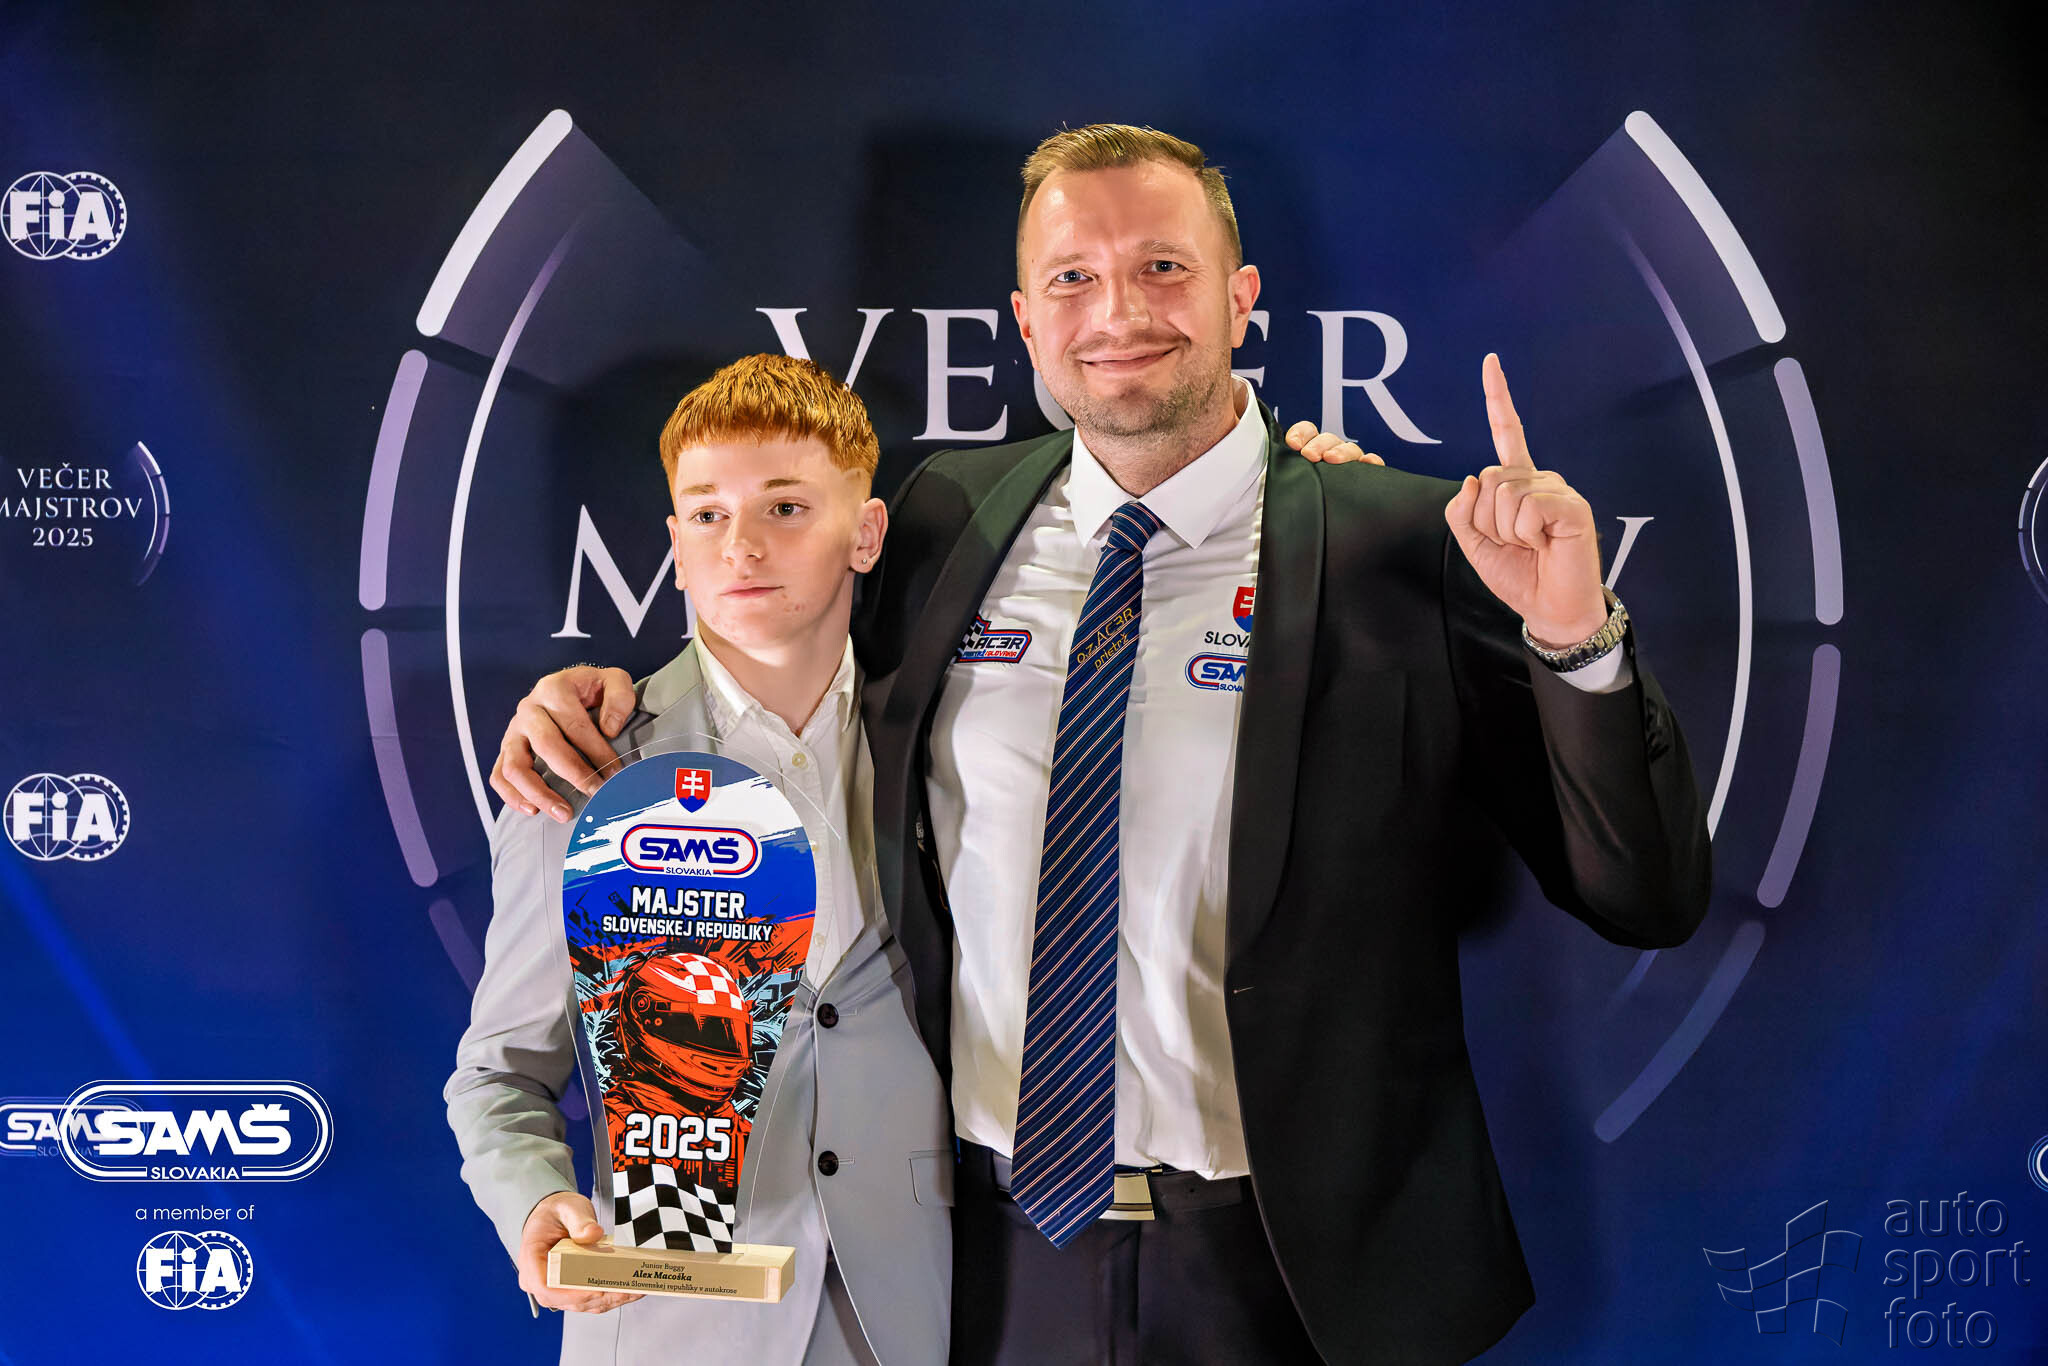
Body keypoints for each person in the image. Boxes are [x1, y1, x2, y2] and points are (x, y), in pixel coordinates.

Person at [491, 124, 1712, 1365]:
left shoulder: (1399, 542)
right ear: (1026, 322)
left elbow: (1646, 890)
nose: (1117, 311)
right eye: (1072, 277)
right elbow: (767, 642)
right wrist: (601, 706)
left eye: (1162, 268)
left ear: (1240, 297)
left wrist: (1574, 634)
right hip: (986, 1265)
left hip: (1292, 1275)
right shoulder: (940, 519)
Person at [446, 354, 952, 1366]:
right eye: (708, 514)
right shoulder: (583, 768)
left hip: (913, 1311)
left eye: (785, 507)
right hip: (671, 1318)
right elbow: (500, 1072)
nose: (742, 546)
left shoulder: (956, 741)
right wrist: (533, 1201)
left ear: (865, 535)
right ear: (675, 546)